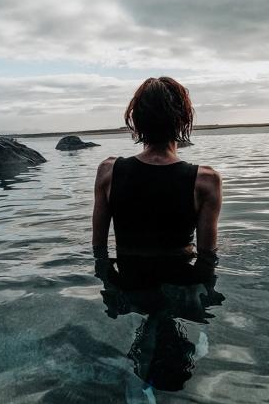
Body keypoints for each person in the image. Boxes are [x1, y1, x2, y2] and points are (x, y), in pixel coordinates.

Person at [92, 76, 222, 290]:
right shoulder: (206, 180)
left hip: (129, 282)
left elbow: (99, 250)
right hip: (181, 281)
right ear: (183, 119)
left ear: (136, 120)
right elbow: (207, 256)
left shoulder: (108, 171)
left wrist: (112, 288)